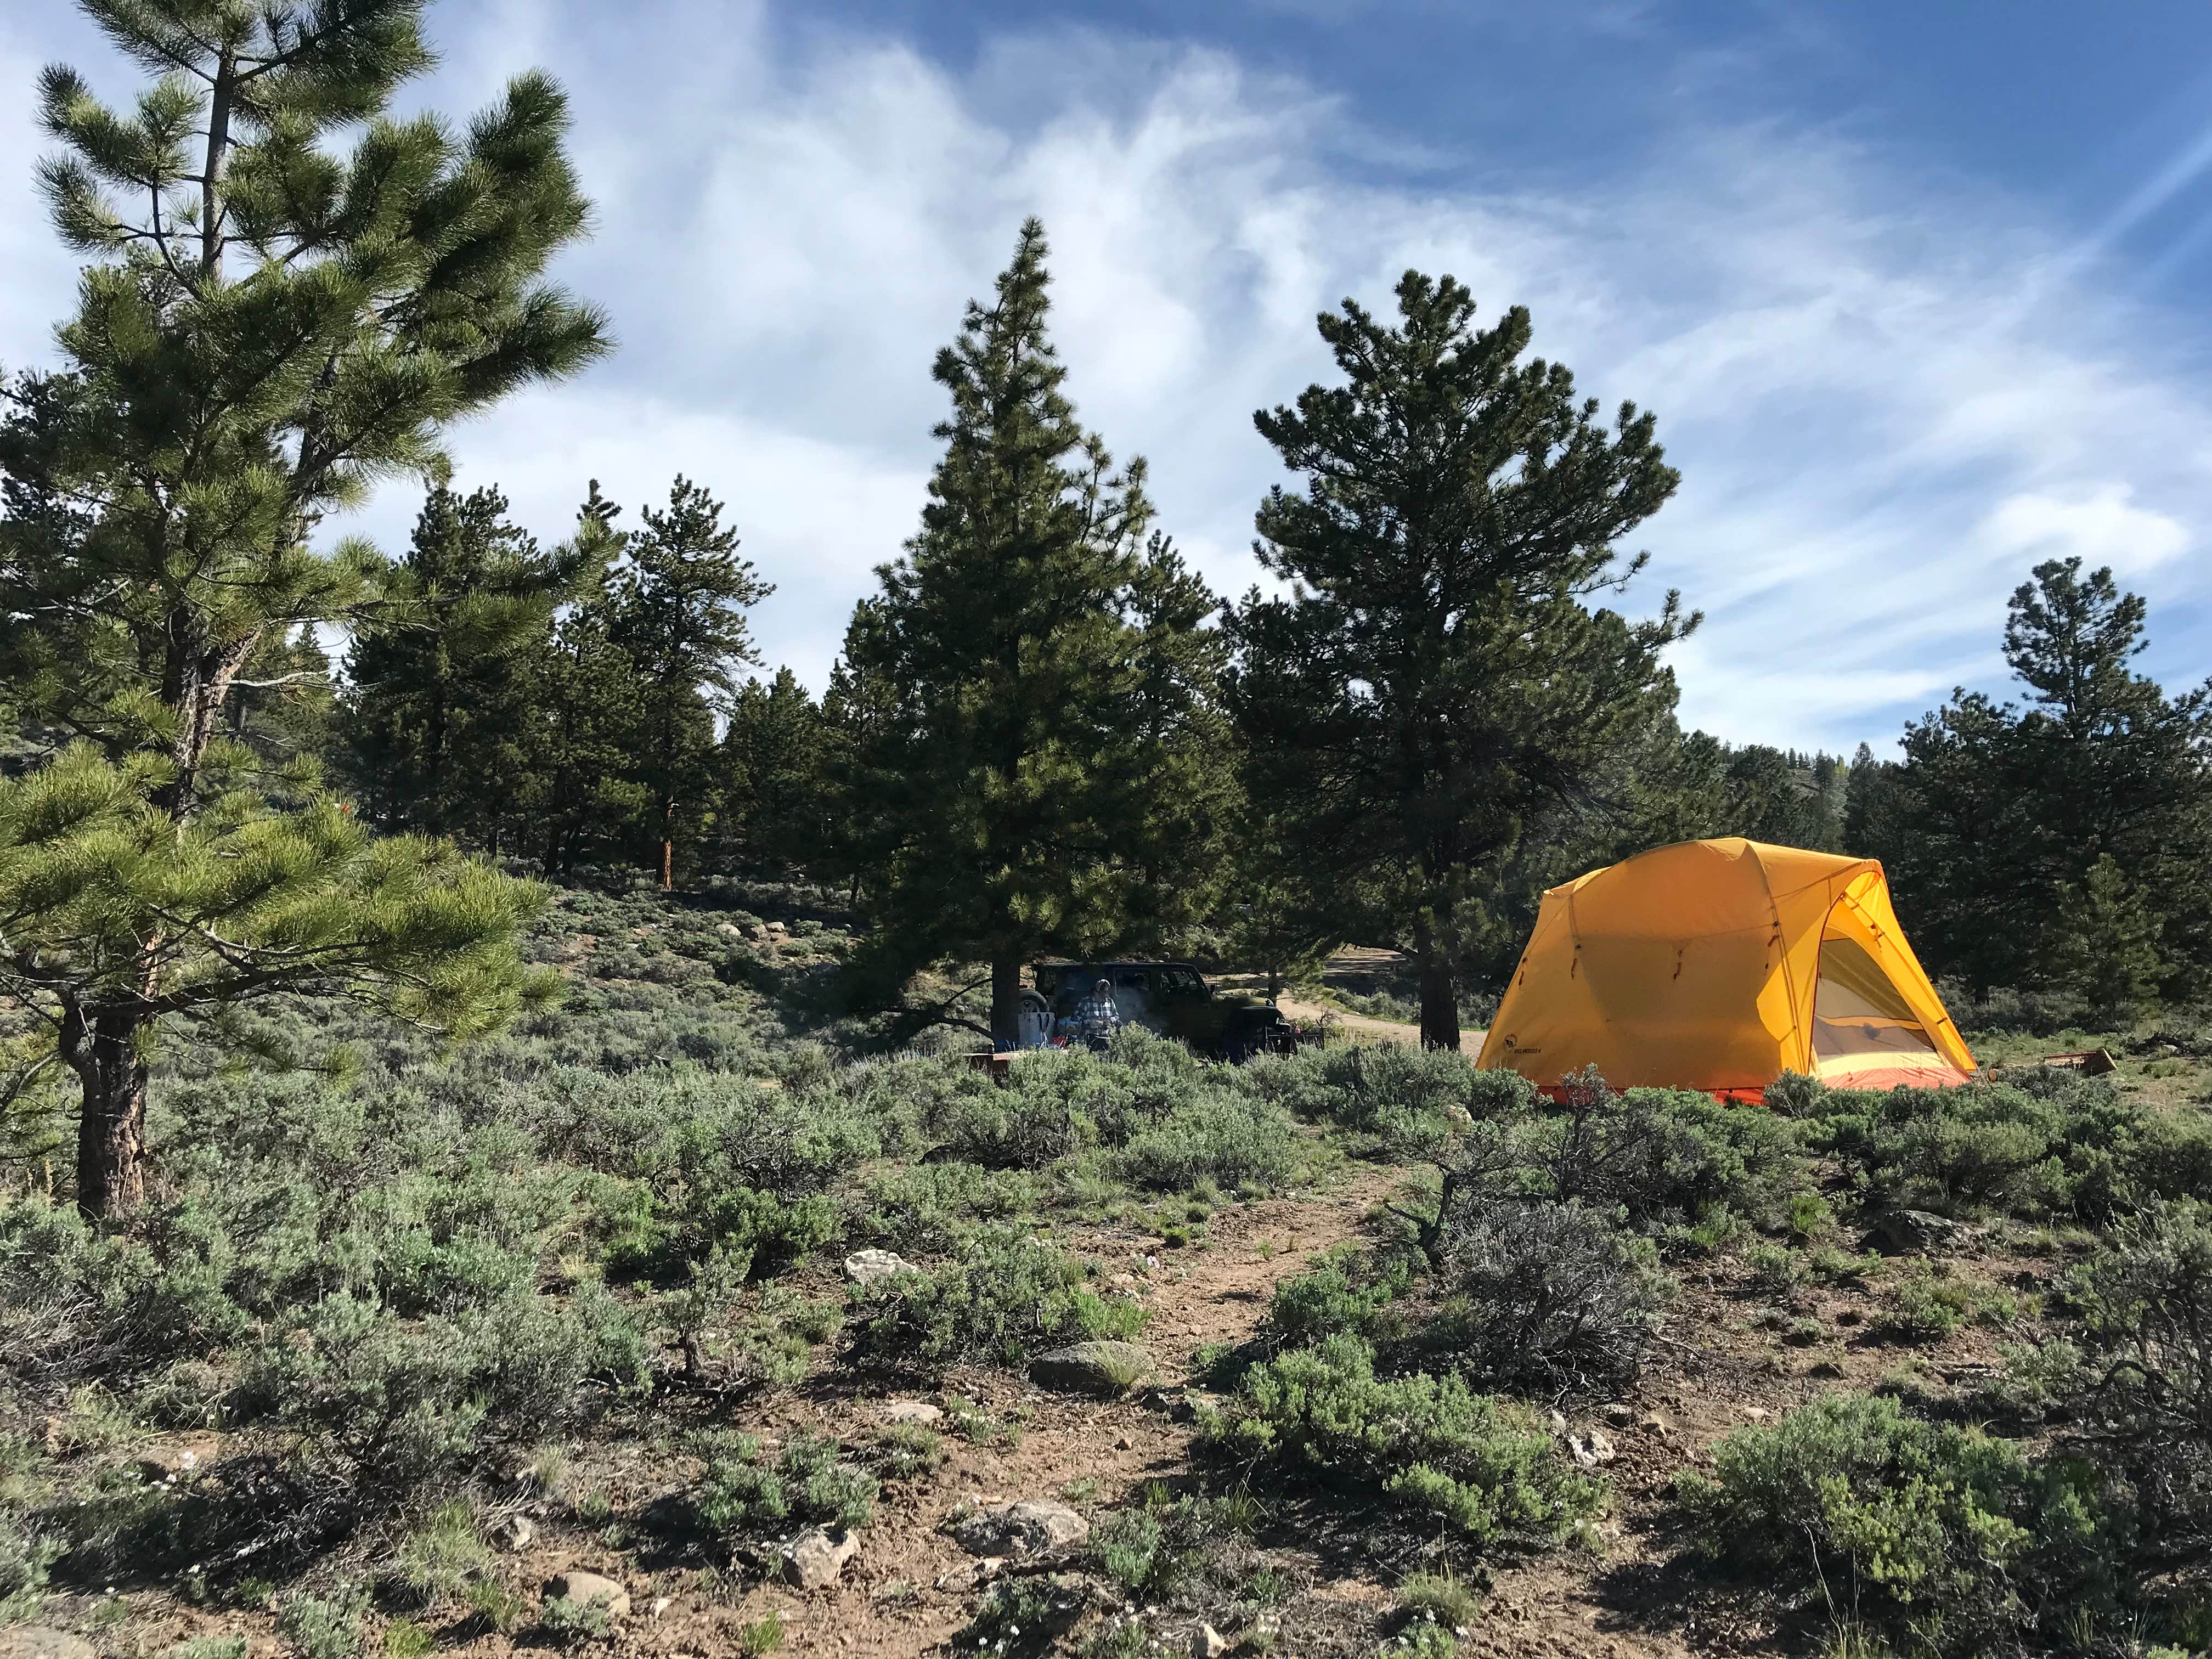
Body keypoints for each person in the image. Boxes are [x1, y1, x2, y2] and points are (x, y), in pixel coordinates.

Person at [1075, 977, 1122, 1049]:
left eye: (1107, 992)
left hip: (1106, 1038)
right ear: (1096, 992)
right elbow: (1075, 1017)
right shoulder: (1086, 1002)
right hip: (1089, 1039)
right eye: (1103, 992)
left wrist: (1110, 1021)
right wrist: (1091, 1022)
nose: (1106, 994)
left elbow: (1116, 1016)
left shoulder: (1110, 1002)